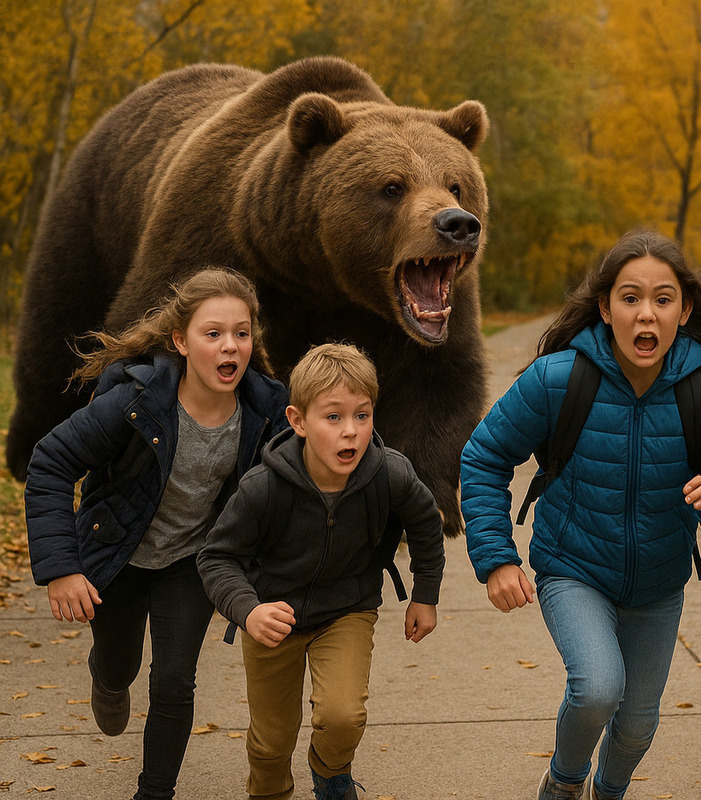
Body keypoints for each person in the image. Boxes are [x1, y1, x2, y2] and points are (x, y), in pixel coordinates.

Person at [460, 229, 701, 800]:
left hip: (658, 582)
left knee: (637, 726)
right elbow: (484, 457)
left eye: (662, 299)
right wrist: (497, 558)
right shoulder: (559, 378)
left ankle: (609, 791)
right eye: (630, 298)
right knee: (597, 688)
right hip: (572, 567)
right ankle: (563, 784)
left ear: (684, 311)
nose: (645, 314)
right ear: (605, 308)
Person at [23, 268, 290, 800]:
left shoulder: (265, 410)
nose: (230, 346)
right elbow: (50, 462)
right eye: (212, 333)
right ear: (180, 342)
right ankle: (107, 676)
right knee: (119, 665)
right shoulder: (134, 401)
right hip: (117, 552)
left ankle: (154, 793)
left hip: (191, 560)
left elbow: (302, 480)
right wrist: (61, 569)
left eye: (241, 333)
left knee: (174, 680)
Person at [197, 343, 444, 800]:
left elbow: (427, 523)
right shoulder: (263, 486)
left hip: (347, 610)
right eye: (333, 417)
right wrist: (248, 611)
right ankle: (268, 792)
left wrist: (424, 594)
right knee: (271, 742)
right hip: (271, 616)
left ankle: (331, 774)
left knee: (343, 717)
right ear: (298, 421)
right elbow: (216, 557)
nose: (351, 431)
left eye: (362, 415)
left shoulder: (388, 473)